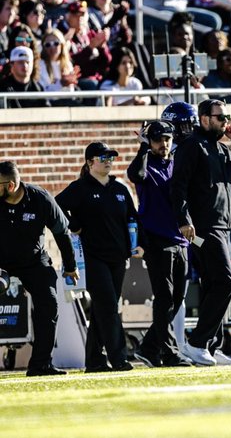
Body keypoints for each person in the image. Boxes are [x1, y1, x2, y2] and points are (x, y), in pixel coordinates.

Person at [170, 99, 231, 366]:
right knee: (226, 282)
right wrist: (183, 219)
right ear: (204, 119)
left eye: (227, 115)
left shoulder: (221, 147)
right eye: (220, 117)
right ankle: (197, 342)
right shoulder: (191, 146)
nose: (225, 121)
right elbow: (178, 186)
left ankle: (211, 346)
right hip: (203, 228)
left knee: (211, 285)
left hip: (223, 225)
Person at [56, 142, 140, 373]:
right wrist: (74, 225)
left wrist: (137, 244)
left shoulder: (120, 189)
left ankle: (94, 361)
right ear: (90, 162)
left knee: (105, 308)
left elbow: (132, 217)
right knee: (108, 306)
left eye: (110, 158)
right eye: (102, 158)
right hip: (93, 258)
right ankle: (119, 358)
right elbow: (55, 206)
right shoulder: (80, 188)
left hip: (118, 257)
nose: (108, 161)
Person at [0, 159, 78, 376]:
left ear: (11, 186)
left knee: (49, 303)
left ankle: (41, 364)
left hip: (33, 262)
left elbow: (62, 232)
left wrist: (70, 267)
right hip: (1, 262)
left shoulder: (41, 198)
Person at [126, 120, 193, 368]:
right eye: (158, 140)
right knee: (164, 298)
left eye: (167, 139)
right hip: (156, 239)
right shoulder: (146, 164)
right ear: (149, 142)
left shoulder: (176, 163)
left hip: (180, 239)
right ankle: (169, 352)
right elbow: (136, 174)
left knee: (177, 299)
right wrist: (143, 147)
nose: (163, 144)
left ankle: (149, 347)